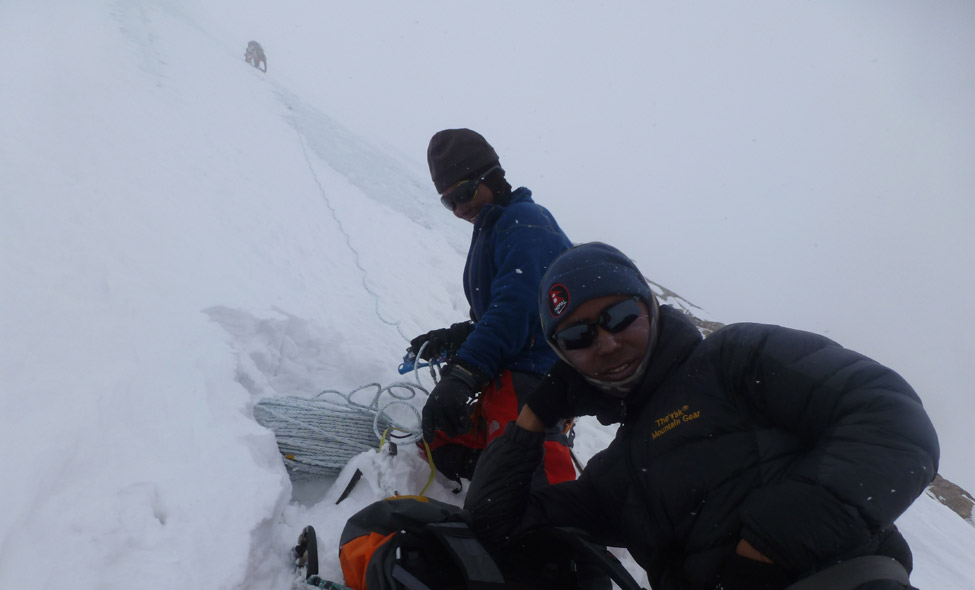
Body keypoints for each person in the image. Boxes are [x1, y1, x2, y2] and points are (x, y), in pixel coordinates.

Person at [464, 242, 940, 590]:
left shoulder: (731, 360)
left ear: (649, 306)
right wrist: (534, 416)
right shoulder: (618, 472)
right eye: (577, 338)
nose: (606, 343)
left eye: (620, 315)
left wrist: (767, 549)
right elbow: (496, 522)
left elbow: (892, 421)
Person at [410, 128, 576, 487]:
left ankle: (554, 522)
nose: (458, 208)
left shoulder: (525, 224)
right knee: (439, 438)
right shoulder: (494, 224)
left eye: (464, 193)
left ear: (492, 176)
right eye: (448, 201)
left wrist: (465, 372)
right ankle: (491, 469)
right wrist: (455, 337)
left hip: (536, 373)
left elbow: (517, 310)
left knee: (532, 487)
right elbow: (507, 312)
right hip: (512, 364)